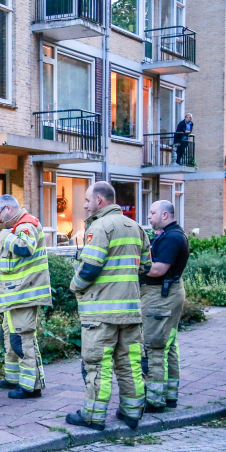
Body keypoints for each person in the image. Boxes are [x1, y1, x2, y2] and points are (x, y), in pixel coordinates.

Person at [66, 182, 152, 431]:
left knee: (98, 365)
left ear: (99, 201)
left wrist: (75, 286)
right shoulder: (136, 227)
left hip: (101, 314)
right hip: (131, 312)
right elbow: (146, 266)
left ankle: (93, 416)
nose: (85, 205)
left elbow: (90, 267)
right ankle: (132, 412)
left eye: (87, 200)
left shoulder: (100, 227)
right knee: (130, 363)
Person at [0, 195, 52, 399]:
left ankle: (30, 386)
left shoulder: (26, 225)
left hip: (23, 296)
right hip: (14, 295)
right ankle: (14, 378)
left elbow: (25, 248)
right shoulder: (17, 227)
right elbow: (15, 263)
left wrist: (4, 236)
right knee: (10, 339)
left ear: (8, 208)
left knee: (22, 340)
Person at [141, 200, 189, 411]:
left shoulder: (172, 237)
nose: (149, 216)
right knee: (168, 347)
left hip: (161, 296)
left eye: (152, 213)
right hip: (166, 294)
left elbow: (158, 269)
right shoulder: (168, 234)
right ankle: (169, 395)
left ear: (165, 215)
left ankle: (154, 399)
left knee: (154, 346)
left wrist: (132, 265)